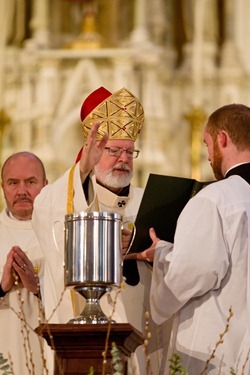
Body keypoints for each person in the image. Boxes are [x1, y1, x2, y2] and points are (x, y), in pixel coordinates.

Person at [32, 86, 171, 374]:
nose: (123, 158)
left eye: (130, 151)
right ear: (92, 152)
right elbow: (47, 215)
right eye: (113, 151)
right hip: (88, 342)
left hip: (146, 334)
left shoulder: (151, 201)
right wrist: (82, 170)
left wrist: (152, 252)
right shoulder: (72, 195)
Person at [132, 103, 250, 374]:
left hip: (217, 354)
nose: (208, 155)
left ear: (222, 139)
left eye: (207, 144)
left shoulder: (215, 198)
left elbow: (194, 271)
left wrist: (160, 259)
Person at [0, 151, 48, 375]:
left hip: (47, 355)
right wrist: (1, 287)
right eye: (13, 183)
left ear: (45, 186)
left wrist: (38, 287)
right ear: (2, 187)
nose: (21, 191)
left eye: (30, 182)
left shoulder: (60, 234)